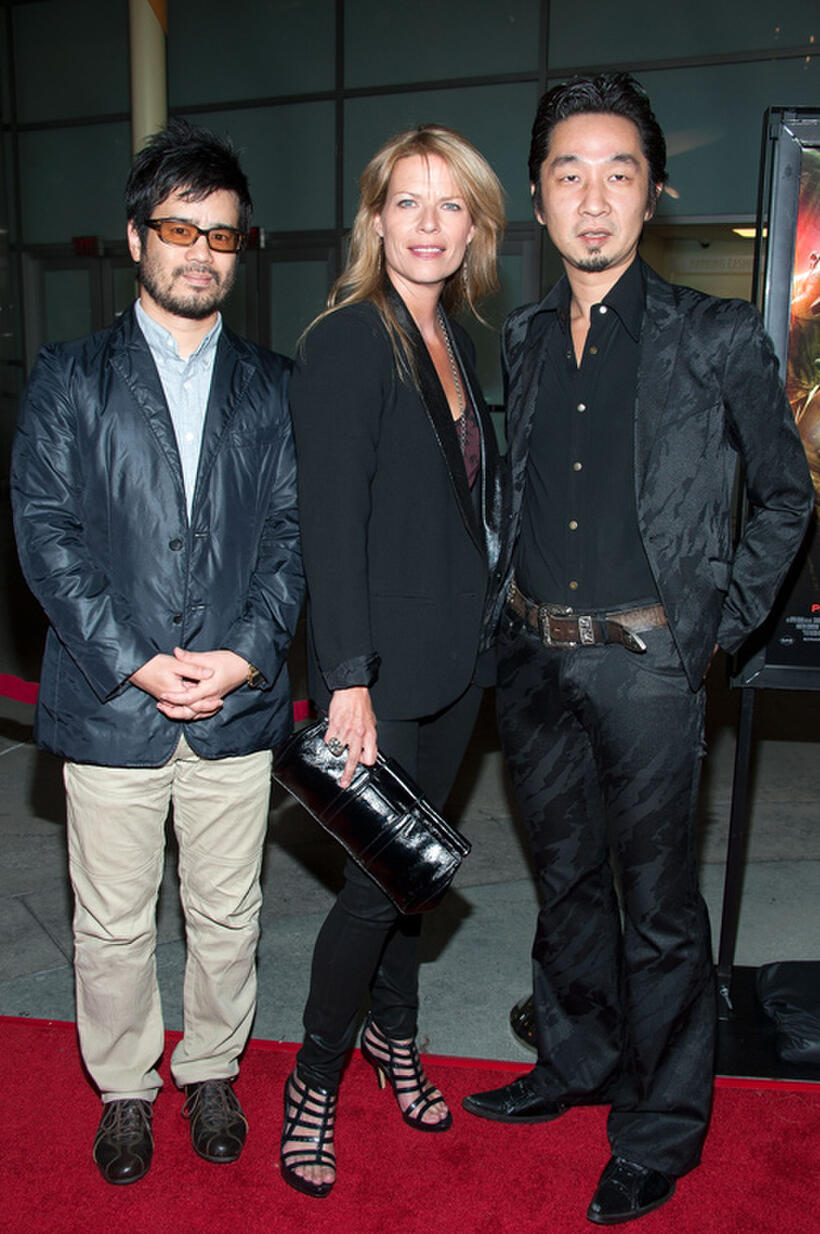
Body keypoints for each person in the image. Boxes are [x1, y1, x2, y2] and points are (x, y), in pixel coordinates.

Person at [461, 75, 814, 1225]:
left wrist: (711, 626)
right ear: (536, 194)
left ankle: (659, 1126)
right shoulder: (519, 336)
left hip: (650, 667)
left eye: (618, 171)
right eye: (569, 171)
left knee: (658, 909)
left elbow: (784, 497)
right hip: (534, 656)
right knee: (564, 886)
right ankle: (572, 1061)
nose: (594, 196)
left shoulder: (712, 337)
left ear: (651, 192)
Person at [11, 119, 303, 1185]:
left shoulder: (276, 385)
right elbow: (45, 534)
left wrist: (246, 653)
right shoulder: (69, 377)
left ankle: (214, 1065)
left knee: (229, 913)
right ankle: (127, 1087)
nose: (199, 252)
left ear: (240, 250)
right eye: (178, 228)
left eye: (221, 236)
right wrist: (135, 658)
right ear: (136, 238)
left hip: (234, 702)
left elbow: (293, 537)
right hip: (111, 701)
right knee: (114, 921)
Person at [284, 124, 506, 1197]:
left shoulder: (452, 338)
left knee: (414, 882)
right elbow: (331, 525)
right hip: (379, 671)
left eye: (449, 205)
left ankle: (397, 1041)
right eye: (407, 202)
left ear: (474, 228)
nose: (428, 224)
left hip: (456, 662)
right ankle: (314, 1080)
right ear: (375, 221)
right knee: (375, 893)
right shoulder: (347, 339)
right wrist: (348, 678)